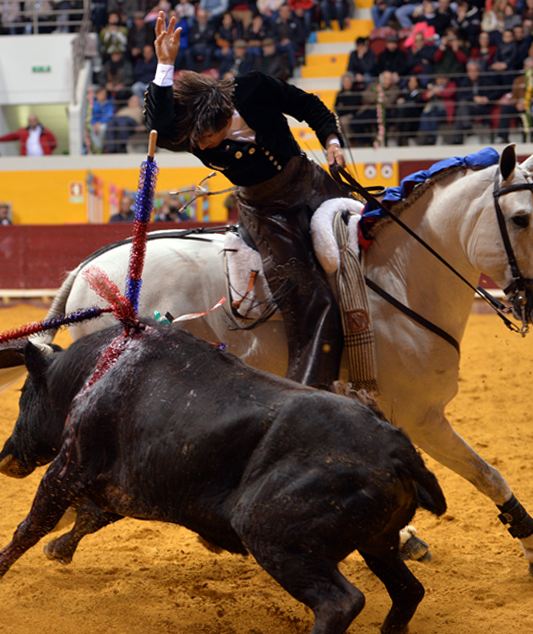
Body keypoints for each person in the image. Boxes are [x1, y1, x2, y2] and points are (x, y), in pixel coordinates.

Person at [146, 12, 350, 388]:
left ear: (226, 114)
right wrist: (165, 65)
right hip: (267, 212)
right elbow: (158, 124)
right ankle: (311, 389)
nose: (204, 148)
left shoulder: (253, 88)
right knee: (310, 297)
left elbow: (308, 106)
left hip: (312, 183)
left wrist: (332, 141)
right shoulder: (189, 128)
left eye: (210, 138)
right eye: (197, 143)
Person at [450, 59, 504, 144]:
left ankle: (459, 139)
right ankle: (465, 131)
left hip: (481, 108)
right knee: (462, 108)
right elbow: (459, 95)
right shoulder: (464, 82)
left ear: (479, 71)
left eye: (475, 70)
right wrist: (474, 98)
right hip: (468, 108)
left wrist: (486, 98)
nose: (473, 73)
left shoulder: (486, 80)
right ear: (467, 72)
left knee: (461, 110)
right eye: (471, 71)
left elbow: (498, 91)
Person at [91, 87, 115, 153]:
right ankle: (96, 148)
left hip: (104, 122)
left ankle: (101, 147)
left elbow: (109, 115)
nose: (103, 96)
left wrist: (100, 122)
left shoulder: (109, 104)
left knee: (102, 128)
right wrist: (95, 123)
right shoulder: (93, 104)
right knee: (91, 129)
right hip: (94, 123)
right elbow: (91, 115)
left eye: (104, 94)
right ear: (97, 95)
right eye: (101, 94)